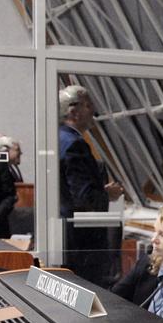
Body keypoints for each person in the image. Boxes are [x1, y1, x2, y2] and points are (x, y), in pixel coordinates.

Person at [59, 86, 125, 285]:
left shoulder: (58, 138)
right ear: (73, 111)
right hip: (81, 241)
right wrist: (108, 194)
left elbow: (69, 189)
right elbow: (84, 199)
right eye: (89, 105)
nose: (94, 112)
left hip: (64, 236)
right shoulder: (74, 144)